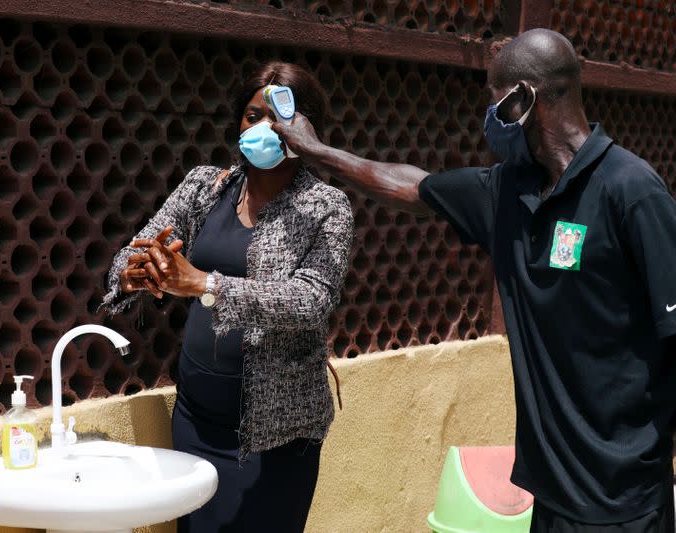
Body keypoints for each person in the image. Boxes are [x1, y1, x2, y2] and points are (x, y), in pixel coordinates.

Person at [273, 29, 676, 532]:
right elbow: (409, 186)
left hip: (625, 504)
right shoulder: (506, 191)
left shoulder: (631, 190)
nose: (488, 115)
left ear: (523, 99)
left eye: (494, 99)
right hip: (552, 496)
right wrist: (315, 150)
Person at [101, 62, 354, 532]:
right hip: (195, 421)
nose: (263, 128)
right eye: (252, 115)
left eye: (279, 117)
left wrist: (205, 284)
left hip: (276, 435)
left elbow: (311, 300)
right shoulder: (205, 186)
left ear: (306, 129)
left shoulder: (325, 207)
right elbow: (132, 252)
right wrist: (140, 270)